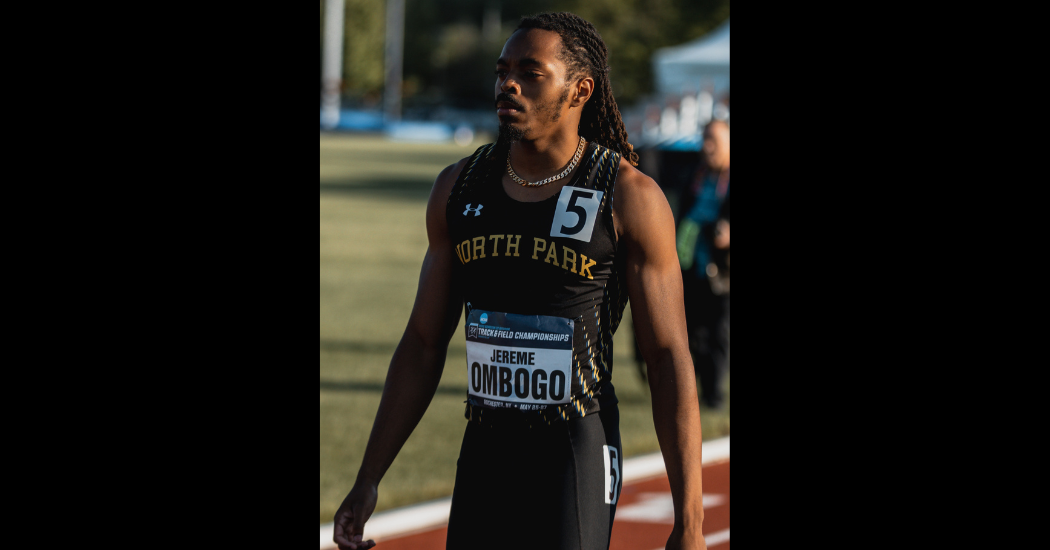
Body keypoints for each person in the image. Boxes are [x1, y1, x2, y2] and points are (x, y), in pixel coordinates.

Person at [333, 12, 707, 550]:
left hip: (575, 447)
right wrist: (369, 477)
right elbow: (421, 343)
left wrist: (689, 520)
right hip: (485, 448)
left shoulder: (627, 196)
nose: (507, 83)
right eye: (502, 69)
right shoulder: (459, 187)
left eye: (530, 72)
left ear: (581, 90)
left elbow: (668, 355)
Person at [675, 120, 730, 409]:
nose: (707, 147)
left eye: (714, 141)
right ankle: (691, 395)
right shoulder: (694, 176)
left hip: (721, 273)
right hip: (689, 266)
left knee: (717, 335)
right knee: (692, 335)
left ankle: (713, 396)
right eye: (705, 139)